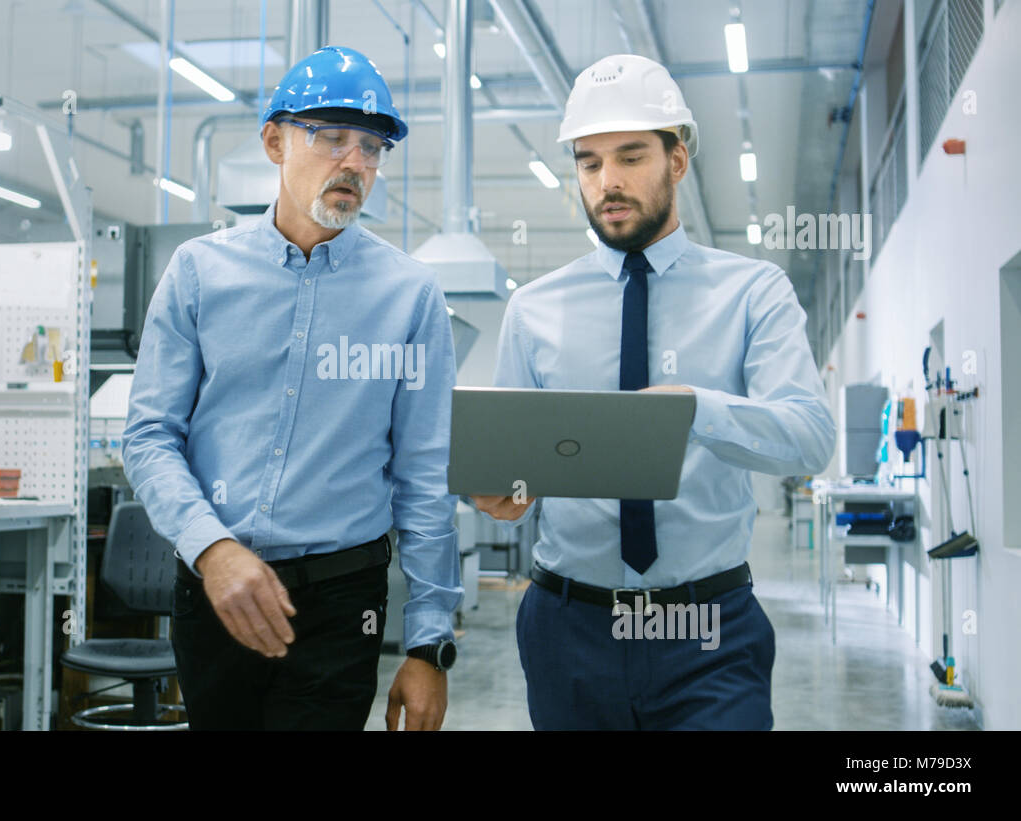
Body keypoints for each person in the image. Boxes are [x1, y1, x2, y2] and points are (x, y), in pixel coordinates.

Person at [473, 54, 835, 730]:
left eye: (631, 156)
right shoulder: (534, 309)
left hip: (708, 629)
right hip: (567, 627)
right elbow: (518, 479)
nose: (607, 181)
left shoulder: (753, 292)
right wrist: (509, 496)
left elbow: (810, 434)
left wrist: (695, 409)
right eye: (588, 162)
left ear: (678, 159)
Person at [122, 46, 462, 731]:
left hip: (341, 600)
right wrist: (212, 549)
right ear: (275, 142)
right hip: (216, 591)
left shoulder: (410, 296)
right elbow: (150, 436)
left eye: (371, 147)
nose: (355, 163)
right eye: (332, 137)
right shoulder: (198, 274)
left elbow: (426, 476)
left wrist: (429, 643)